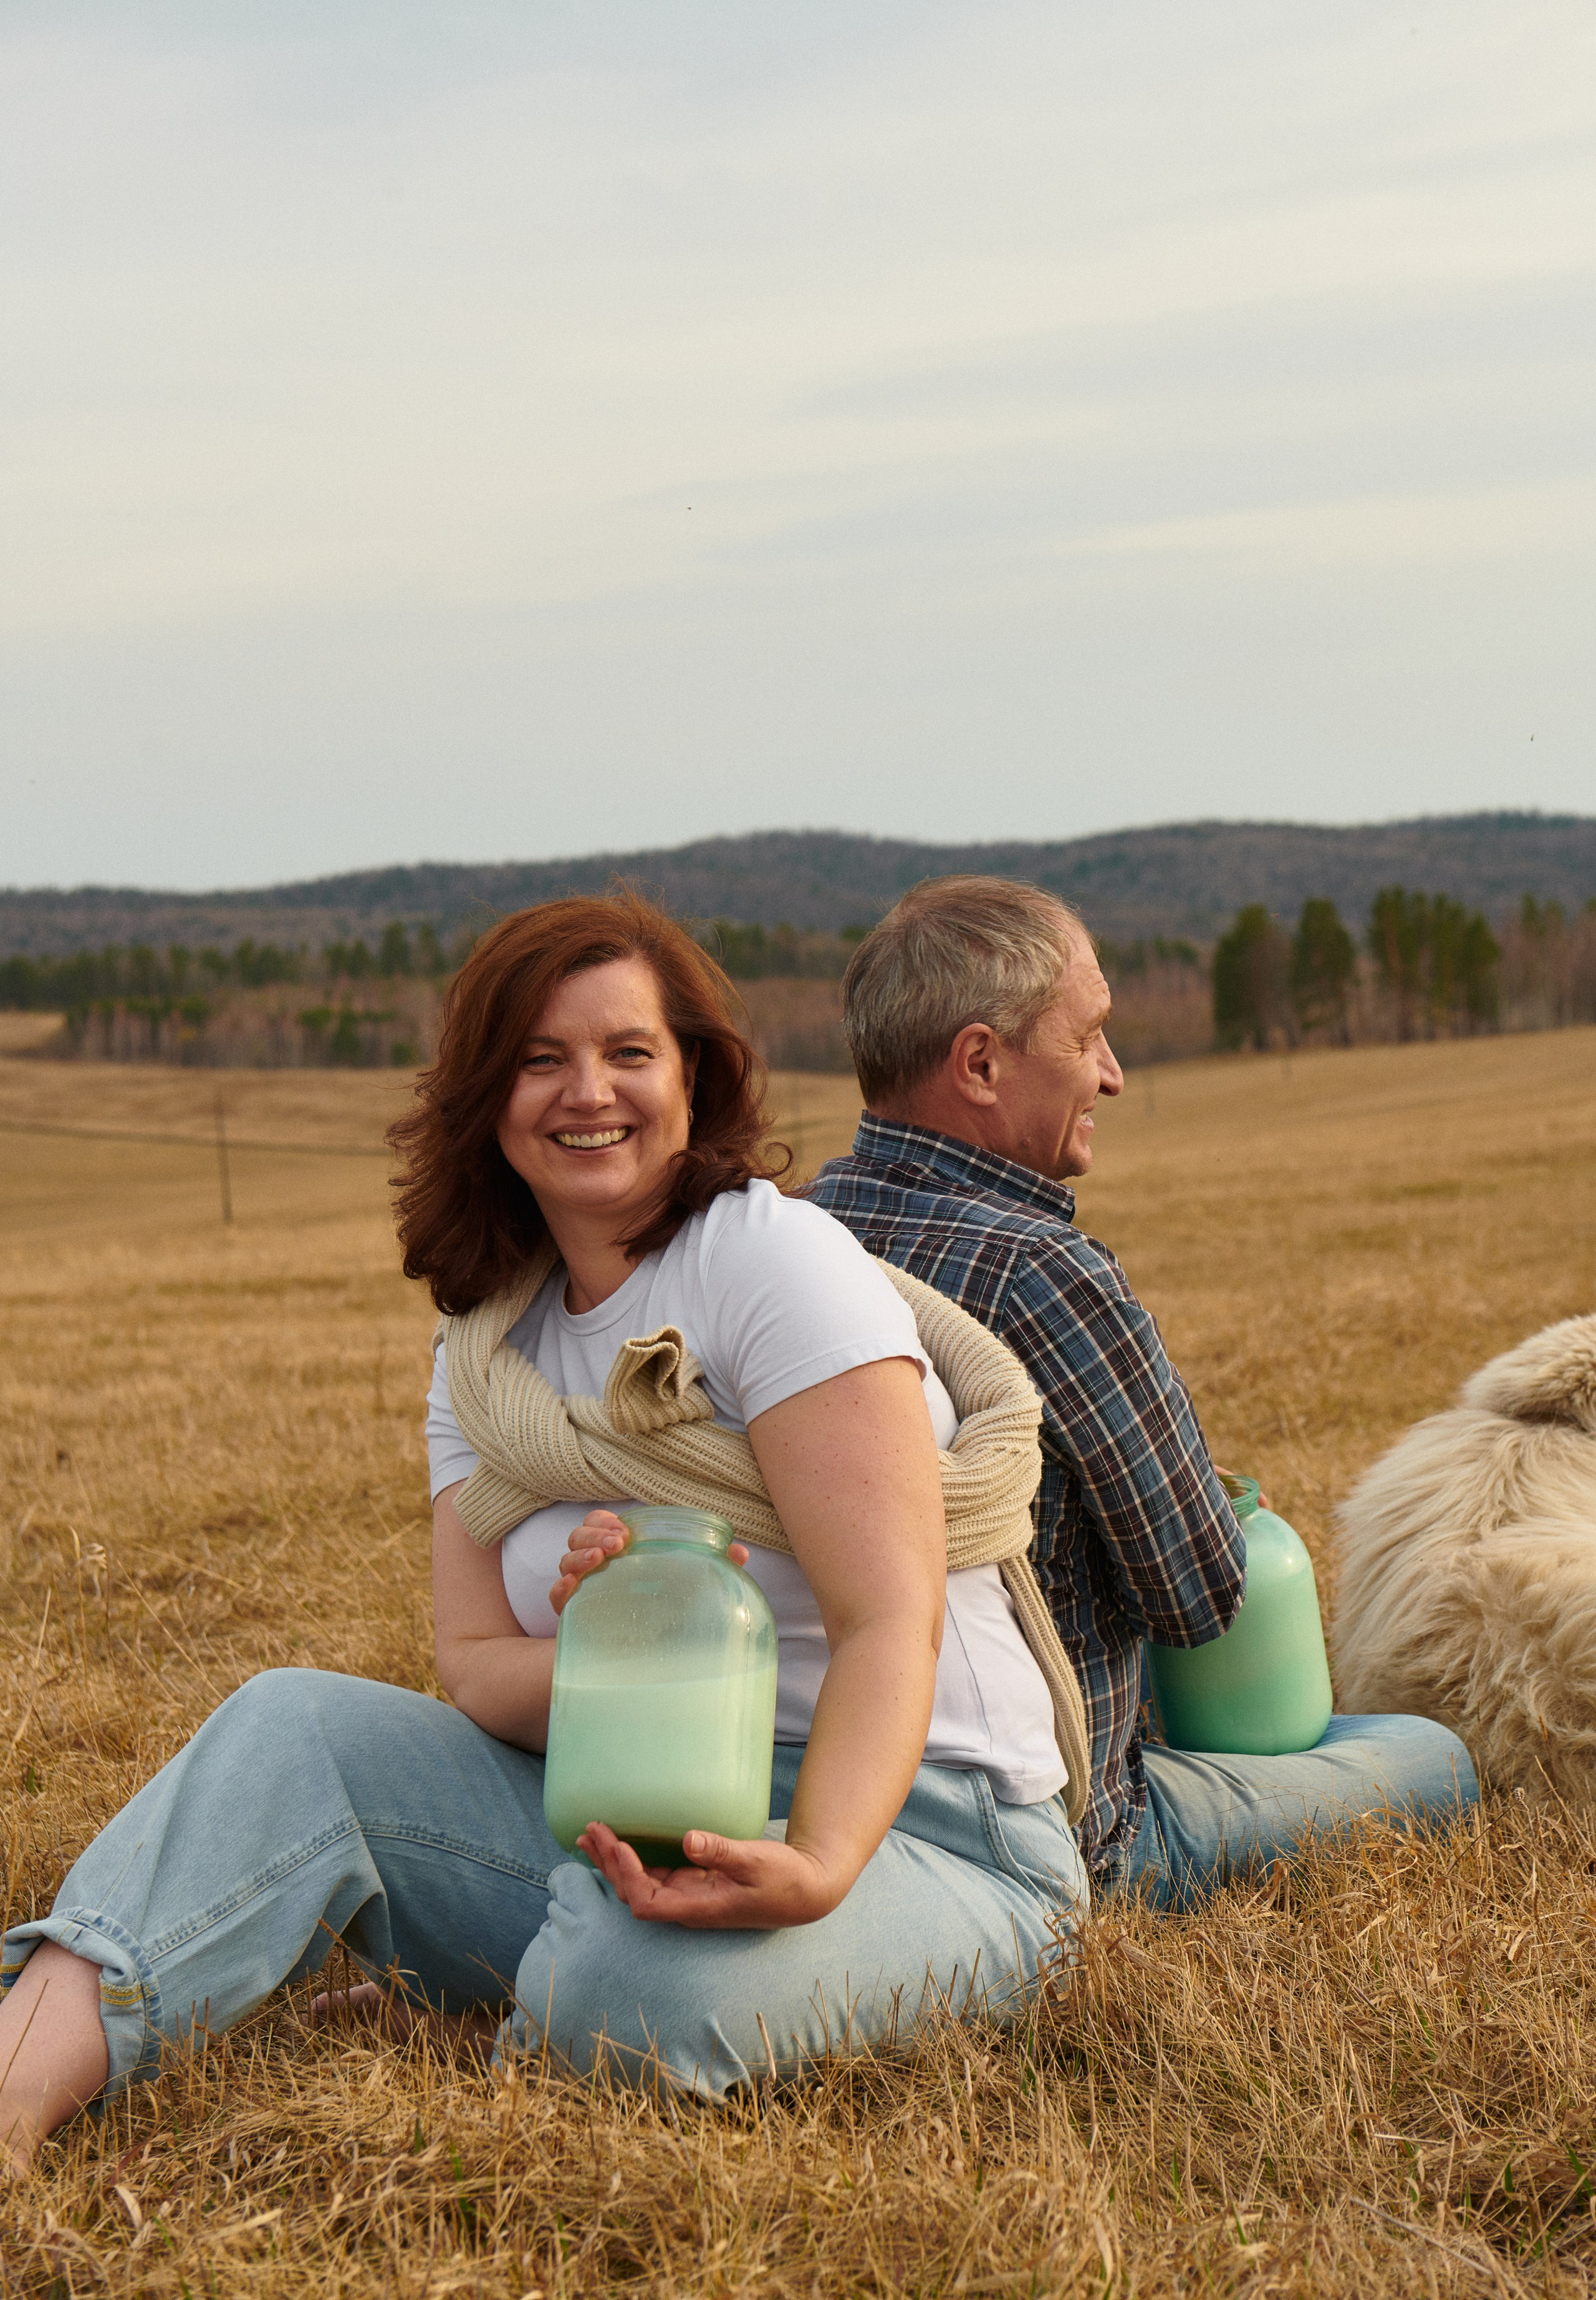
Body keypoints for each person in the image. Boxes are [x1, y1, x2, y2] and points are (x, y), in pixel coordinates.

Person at [0, 893, 1087, 2176]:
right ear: (487, 1098)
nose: (589, 1093)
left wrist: (818, 1860)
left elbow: (886, 1615)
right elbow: (472, 1666)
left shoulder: (770, 1265)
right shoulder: (486, 1350)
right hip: (627, 1808)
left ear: (693, 1075)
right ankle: (22, 2079)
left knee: (636, 1994)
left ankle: (533, 1988)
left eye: (629, 1052)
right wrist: (618, 1643)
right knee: (288, 1726)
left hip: (921, 1828)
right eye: (540, 1058)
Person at [805, 875, 1478, 1910]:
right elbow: (1202, 1595)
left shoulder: (794, 1233)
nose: (1113, 1077)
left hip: (822, 1787)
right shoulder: (1043, 1272)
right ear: (980, 1063)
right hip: (1073, 1825)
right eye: (1091, 1039)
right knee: (1429, 1757)